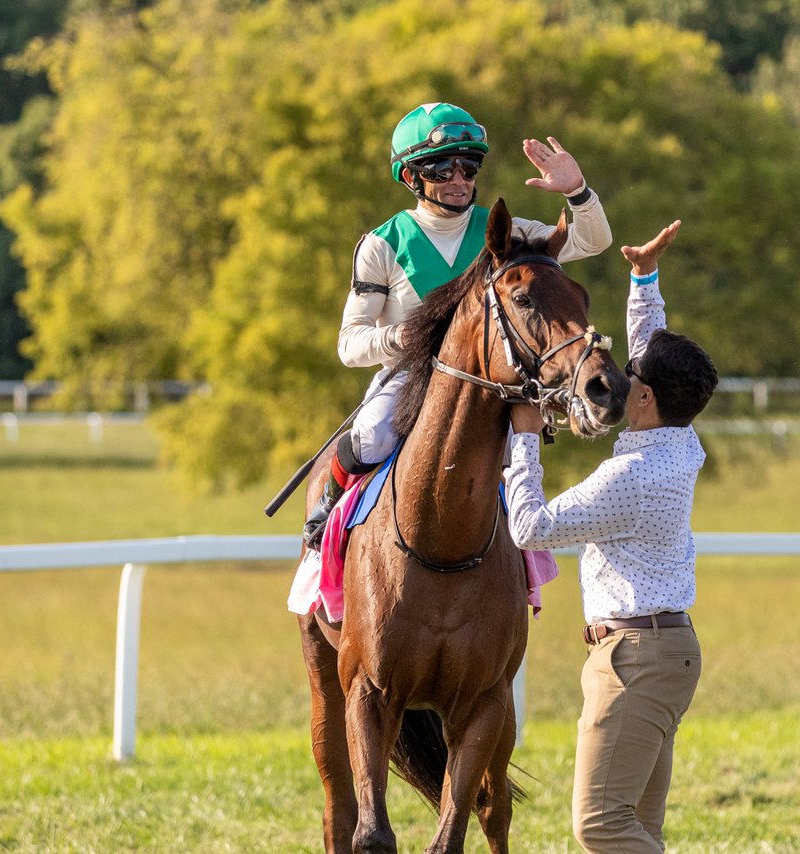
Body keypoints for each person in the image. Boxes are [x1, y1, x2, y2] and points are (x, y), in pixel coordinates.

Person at [303, 101, 613, 545]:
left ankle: (523, 559)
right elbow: (350, 345)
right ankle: (328, 510)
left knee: (517, 456)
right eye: (442, 168)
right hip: (412, 377)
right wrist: (411, 335)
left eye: (469, 167)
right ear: (411, 177)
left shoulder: (507, 234)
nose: (459, 180)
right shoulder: (381, 244)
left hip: (492, 382)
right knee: (371, 434)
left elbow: (593, 240)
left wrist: (577, 190)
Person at [503, 220, 718, 853]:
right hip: (664, 650)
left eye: (631, 376)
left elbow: (530, 527)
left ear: (643, 396)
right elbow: (651, 347)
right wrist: (643, 276)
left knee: (601, 826)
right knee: (637, 830)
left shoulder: (631, 476)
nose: (619, 376)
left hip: (634, 661)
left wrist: (522, 436)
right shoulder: (677, 437)